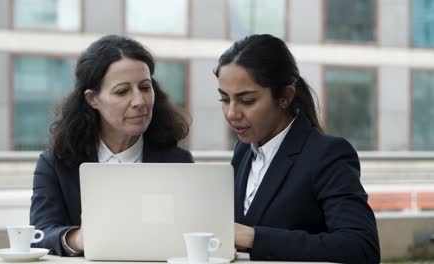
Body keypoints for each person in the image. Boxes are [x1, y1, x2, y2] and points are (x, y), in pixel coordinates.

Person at [214, 34, 380, 263]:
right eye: (224, 99)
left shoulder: (328, 155)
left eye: (247, 100)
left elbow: (361, 247)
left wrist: (254, 237)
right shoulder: (243, 152)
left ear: (285, 96)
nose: (232, 113)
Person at [30, 35, 194, 256]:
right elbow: (38, 236)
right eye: (122, 91)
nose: (139, 101)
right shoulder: (55, 163)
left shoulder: (178, 162)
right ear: (92, 99)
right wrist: (79, 238)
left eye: (145, 87)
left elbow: (188, 237)